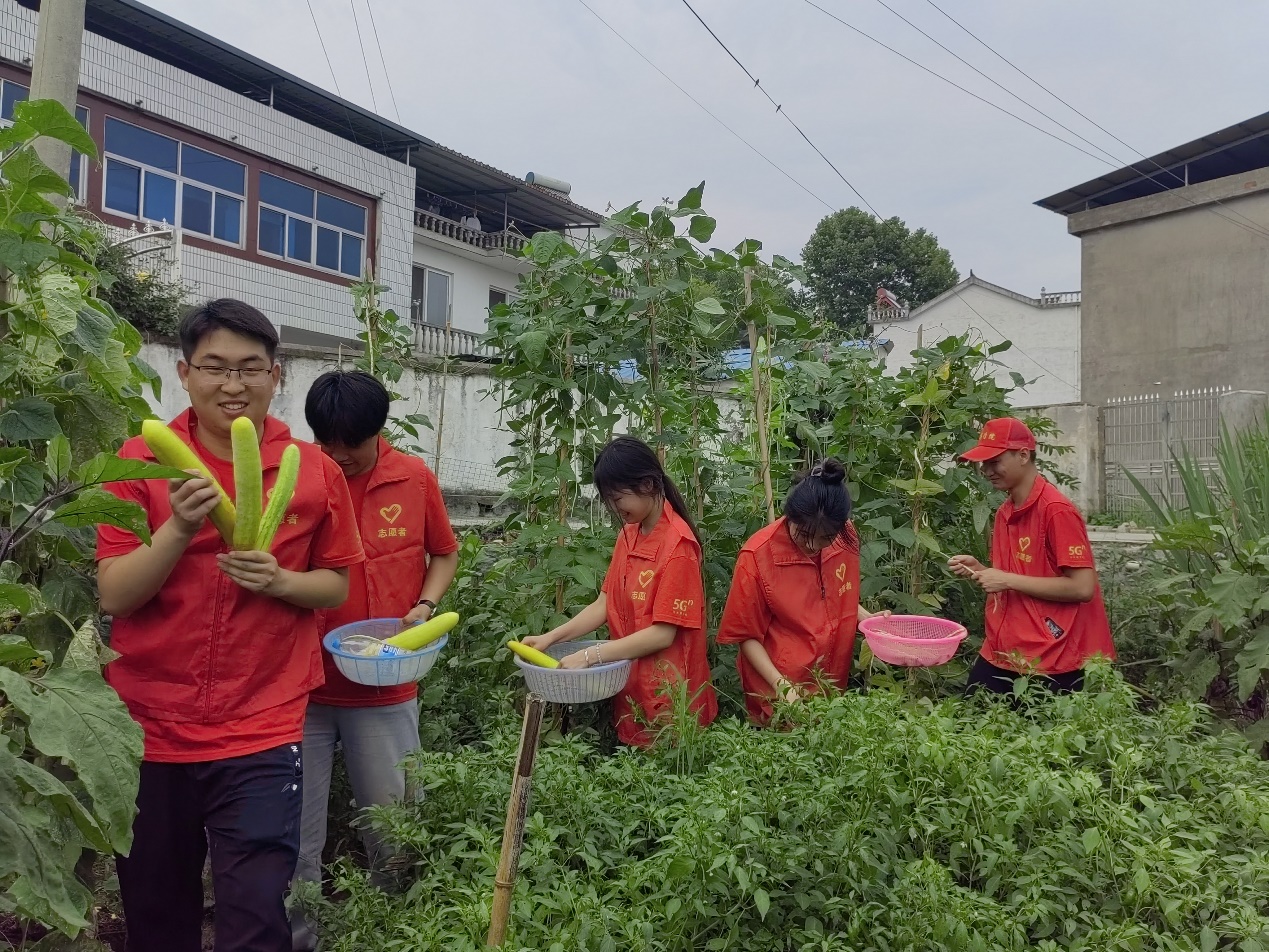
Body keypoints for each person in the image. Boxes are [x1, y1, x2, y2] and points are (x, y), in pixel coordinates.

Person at [96, 300, 364, 952]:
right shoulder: (141, 461)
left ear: (276, 375)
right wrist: (178, 528)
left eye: (250, 368)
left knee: (256, 917)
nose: (233, 384)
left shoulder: (314, 471)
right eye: (215, 367)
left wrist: (279, 582)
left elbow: (335, 584)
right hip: (149, 726)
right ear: (185, 373)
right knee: (157, 916)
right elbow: (116, 595)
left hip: (261, 726)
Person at [292, 370, 459, 949]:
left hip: (385, 687)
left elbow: (444, 553)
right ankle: (299, 939)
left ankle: (393, 934)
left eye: (352, 445)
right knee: (294, 837)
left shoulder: (413, 479)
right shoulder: (299, 478)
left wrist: (425, 605)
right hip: (302, 689)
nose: (339, 456)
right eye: (327, 443)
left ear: (378, 432)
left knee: (395, 831)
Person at [522, 436, 717, 746]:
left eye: (618, 498)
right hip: (633, 685)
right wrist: (550, 638)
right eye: (608, 500)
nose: (614, 507)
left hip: (670, 694)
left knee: (669, 766)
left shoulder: (678, 547)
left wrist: (589, 656)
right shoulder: (629, 535)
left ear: (648, 484)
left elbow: (662, 635)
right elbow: (605, 604)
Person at [948, 417, 1115, 694]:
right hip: (1005, 647)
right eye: (984, 464)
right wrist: (981, 570)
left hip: (1052, 655)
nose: (986, 471)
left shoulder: (1056, 511)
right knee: (972, 714)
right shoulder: (1005, 512)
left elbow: (1082, 588)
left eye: (994, 461)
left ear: (1023, 455)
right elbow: (1019, 576)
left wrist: (1005, 580)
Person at [716, 459, 890, 724]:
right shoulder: (757, 556)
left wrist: (865, 618)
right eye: (803, 534)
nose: (812, 545)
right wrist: (783, 688)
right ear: (791, 516)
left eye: (824, 538)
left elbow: (833, 594)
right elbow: (747, 637)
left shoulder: (845, 539)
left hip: (831, 684)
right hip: (778, 690)